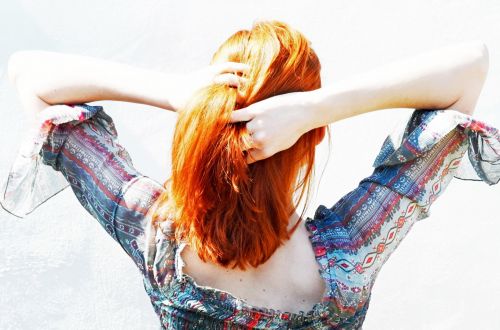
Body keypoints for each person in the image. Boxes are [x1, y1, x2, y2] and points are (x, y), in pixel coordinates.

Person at [1, 20, 499, 329]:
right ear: (313, 139)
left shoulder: (158, 238)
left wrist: (174, 92)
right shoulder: (351, 252)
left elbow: (30, 76)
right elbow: (470, 67)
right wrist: (319, 107)